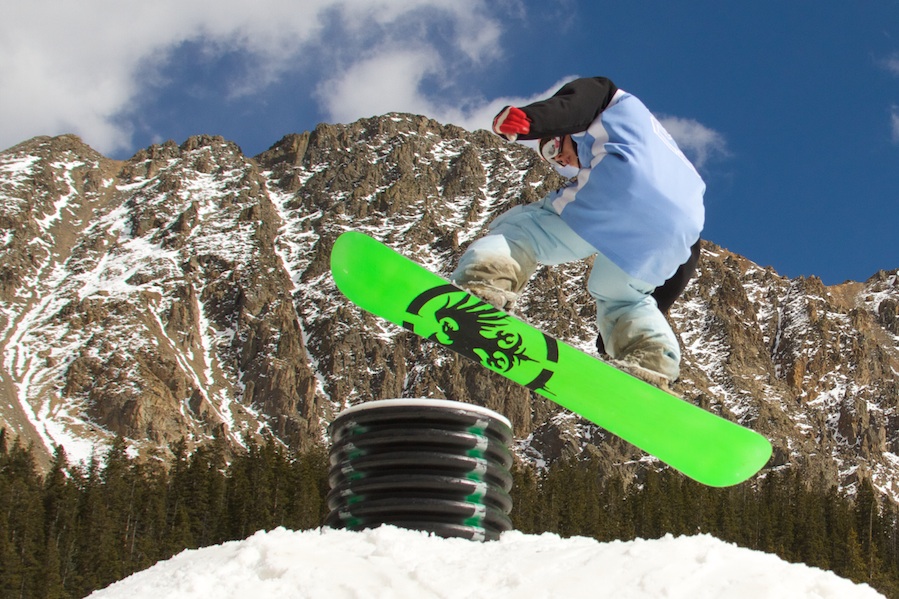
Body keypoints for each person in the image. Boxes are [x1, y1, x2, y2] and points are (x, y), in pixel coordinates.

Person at [450, 77, 705, 391]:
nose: (559, 160)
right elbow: (686, 251)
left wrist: (531, 121)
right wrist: (626, 327)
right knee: (622, 295)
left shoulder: (611, 101)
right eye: (551, 159)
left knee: (523, 228)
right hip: (682, 226)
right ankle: (651, 358)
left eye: (552, 147)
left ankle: (485, 282)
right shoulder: (662, 150)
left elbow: (578, 102)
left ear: (567, 129)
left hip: (620, 186)